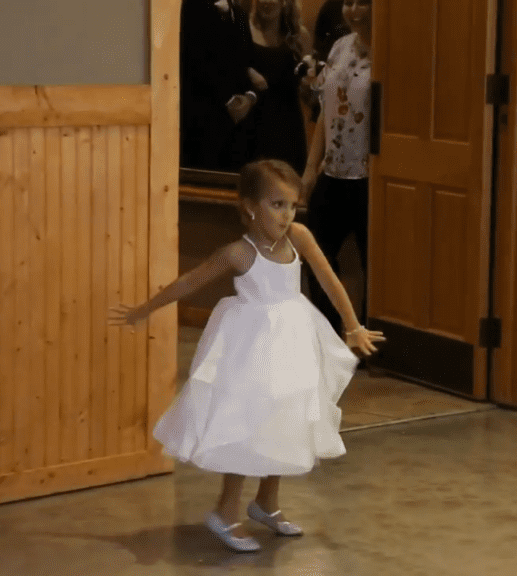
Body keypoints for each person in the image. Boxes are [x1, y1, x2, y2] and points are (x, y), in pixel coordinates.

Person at [109, 159, 385, 553]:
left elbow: (328, 278)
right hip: (252, 345)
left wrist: (352, 324)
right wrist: (145, 309)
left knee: (284, 420)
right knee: (249, 425)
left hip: (294, 338)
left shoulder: (300, 238)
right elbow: (190, 280)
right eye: (276, 205)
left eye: (291, 205)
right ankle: (224, 511)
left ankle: (266, 503)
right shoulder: (239, 252)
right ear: (250, 207)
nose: (286, 215)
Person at [302, 0, 372, 335]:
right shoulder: (339, 47)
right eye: (349, 2)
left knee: (375, 265)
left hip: (370, 178)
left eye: (364, 3)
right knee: (315, 255)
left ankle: (370, 342)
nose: (354, 11)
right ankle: (327, 336)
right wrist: (310, 167)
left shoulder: (392, 52)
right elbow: (325, 113)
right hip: (333, 173)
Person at [180, 0, 258, 171]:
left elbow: (247, 62)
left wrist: (250, 96)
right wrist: (229, 100)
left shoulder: (239, 14)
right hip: (202, 122)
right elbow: (194, 59)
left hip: (238, 127)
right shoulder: (191, 8)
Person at [236, 0, 311, 172]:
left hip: (288, 131)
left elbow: (307, 88)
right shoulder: (241, 29)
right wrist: (246, 71)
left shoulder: (300, 36)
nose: (267, 2)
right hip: (250, 129)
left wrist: (311, 88)